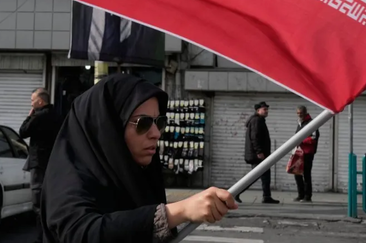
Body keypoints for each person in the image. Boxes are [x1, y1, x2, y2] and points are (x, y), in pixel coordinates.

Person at [40, 74, 238, 243]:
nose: (156, 133)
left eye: (159, 122)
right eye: (143, 123)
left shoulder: (136, 174)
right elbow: (80, 233)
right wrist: (179, 211)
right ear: (109, 129)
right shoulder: (68, 178)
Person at [19, 88, 61, 243]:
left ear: (40, 101)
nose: (31, 104)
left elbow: (23, 132)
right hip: (54, 163)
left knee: (38, 203)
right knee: (51, 201)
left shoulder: (39, 116)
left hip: (39, 164)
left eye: (32, 100)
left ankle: (41, 238)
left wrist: (29, 116)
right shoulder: (57, 116)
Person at [235, 101, 279, 204]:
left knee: (265, 175)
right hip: (258, 155)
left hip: (260, 154)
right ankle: (236, 191)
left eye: (267, 109)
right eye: (264, 109)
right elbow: (255, 137)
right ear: (258, 110)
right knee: (253, 176)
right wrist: (259, 151)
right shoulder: (256, 121)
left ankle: (267, 196)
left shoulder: (259, 120)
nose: (266, 111)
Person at [294, 105, 320, 203]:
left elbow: (314, 137)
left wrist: (301, 140)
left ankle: (307, 196)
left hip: (308, 153)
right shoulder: (300, 123)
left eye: (301, 113)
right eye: (298, 113)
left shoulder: (311, 123)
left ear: (305, 113)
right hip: (299, 152)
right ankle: (300, 194)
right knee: (297, 173)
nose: (299, 115)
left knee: (306, 174)